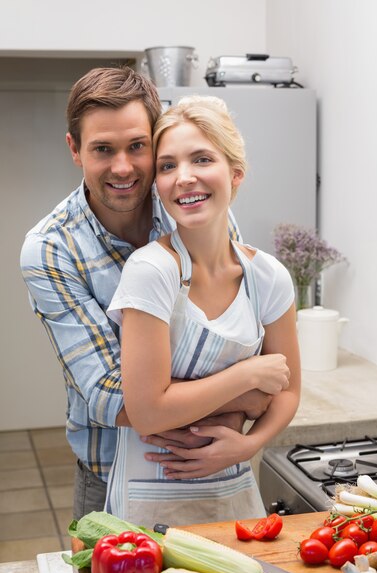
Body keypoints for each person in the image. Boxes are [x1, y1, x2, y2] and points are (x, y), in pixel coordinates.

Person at [20, 67, 273, 520]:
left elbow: (243, 338)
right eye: (102, 149)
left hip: (214, 466)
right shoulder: (51, 248)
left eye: (137, 146)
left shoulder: (193, 207)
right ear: (75, 150)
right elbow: (105, 395)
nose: (122, 167)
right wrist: (246, 389)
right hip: (108, 472)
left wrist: (240, 395)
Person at [104, 95, 301, 527]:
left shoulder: (267, 276)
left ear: (235, 174)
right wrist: (248, 381)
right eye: (168, 166)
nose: (184, 178)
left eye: (201, 159)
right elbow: (148, 412)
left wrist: (251, 444)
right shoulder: (151, 271)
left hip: (232, 488)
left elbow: (286, 391)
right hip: (150, 499)